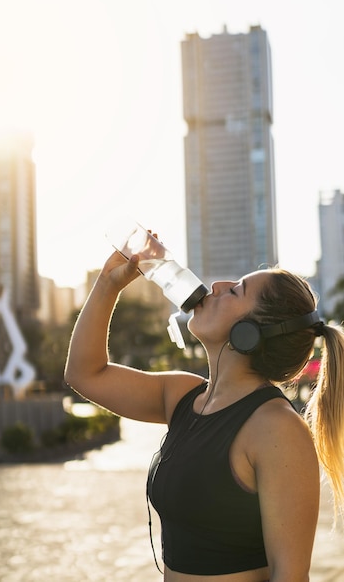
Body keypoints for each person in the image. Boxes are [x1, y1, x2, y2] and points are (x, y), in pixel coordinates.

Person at [64, 247, 344, 582]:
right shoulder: (182, 395)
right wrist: (109, 285)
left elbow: (291, 576)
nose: (217, 286)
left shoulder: (276, 427)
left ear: (250, 333)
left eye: (236, 290)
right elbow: (85, 374)